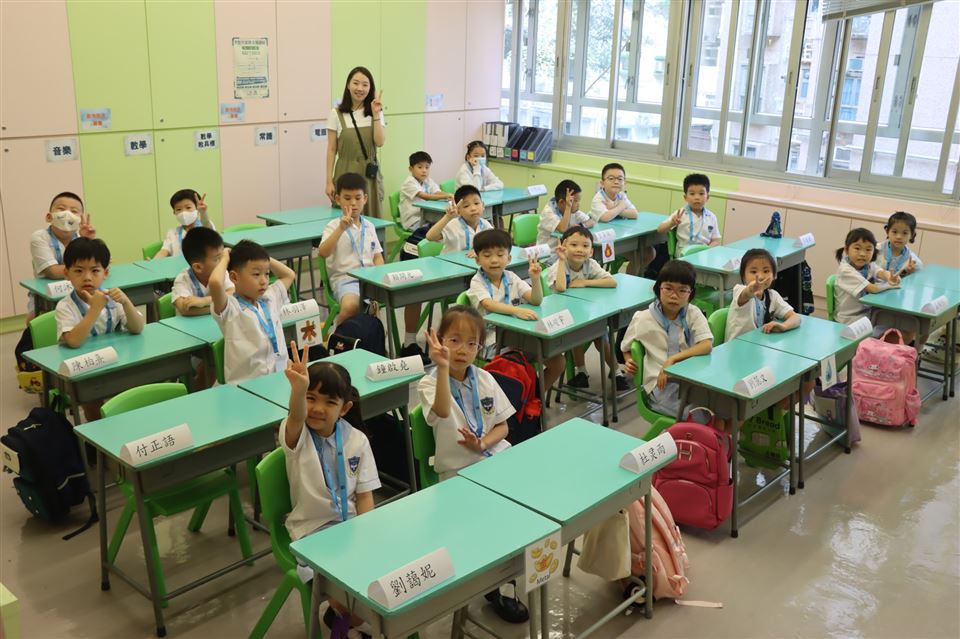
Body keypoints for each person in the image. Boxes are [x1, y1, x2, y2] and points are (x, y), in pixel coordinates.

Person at [416, 306, 529, 624]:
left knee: (523, 508)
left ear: (480, 347)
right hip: (459, 473)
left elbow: (503, 427)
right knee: (489, 517)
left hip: (493, 459)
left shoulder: (485, 378)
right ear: (439, 340)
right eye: (454, 340)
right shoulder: (429, 384)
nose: (462, 350)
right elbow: (441, 410)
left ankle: (506, 575)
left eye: (471, 343)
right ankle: (493, 582)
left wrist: (481, 443)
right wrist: (441, 367)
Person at [281, 347, 378, 638]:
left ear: (344, 408)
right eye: (311, 398)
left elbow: (364, 496)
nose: (317, 408)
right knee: (346, 595)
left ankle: (345, 621)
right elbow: (296, 417)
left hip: (349, 527)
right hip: (311, 533)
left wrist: (368, 535)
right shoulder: (297, 436)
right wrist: (298, 391)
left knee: (376, 576)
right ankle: (364, 625)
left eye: (329, 402)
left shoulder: (357, 440)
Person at [621, 260, 721, 428]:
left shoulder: (693, 313)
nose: (674, 296)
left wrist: (672, 360)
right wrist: (629, 360)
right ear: (658, 288)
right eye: (668, 288)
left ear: (690, 293)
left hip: (691, 381)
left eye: (682, 290)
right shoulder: (643, 318)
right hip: (661, 387)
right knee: (706, 419)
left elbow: (706, 345)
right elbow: (626, 347)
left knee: (725, 411)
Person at [56, 238, 145, 421]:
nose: (87, 277)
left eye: (95, 271)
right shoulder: (65, 306)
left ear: (105, 273)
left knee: (136, 388)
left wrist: (126, 302)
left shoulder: (111, 297)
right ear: (67, 273)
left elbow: (137, 328)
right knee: (91, 399)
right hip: (86, 369)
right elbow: (73, 341)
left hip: (115, 362)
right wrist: (95, 309)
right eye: (79, 271)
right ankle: (98, 433)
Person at [545, 226, 627, 391]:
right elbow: (560, 287)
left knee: (601, 338)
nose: (579, 250)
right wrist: (561, 260)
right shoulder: (558, 266)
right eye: (573, 245)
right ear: (564, 247)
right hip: (562, 316)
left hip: (585, 312)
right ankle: (581, 371)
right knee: (577, 334)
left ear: (591, 251)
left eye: (585, 246)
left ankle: (616, 372)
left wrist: (585, 282)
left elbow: (611, 282)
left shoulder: (590, 264)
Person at [210, 239, 296, 384]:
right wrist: (225, 258)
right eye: (256, 274)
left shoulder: (270, 298)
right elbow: (215, 283)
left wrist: (262, 257)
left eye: (267, 274)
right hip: (247, 386)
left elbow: (289, 275)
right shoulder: (230, 308)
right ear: (234, 277)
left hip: (279, 378)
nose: (264, 281)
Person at [398, 151, 453, 358]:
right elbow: (427, 197)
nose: (423, 171)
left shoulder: (429, 181)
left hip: (429, 223)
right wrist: (447, 196)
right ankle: (410, 342)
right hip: (414, 224)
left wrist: (446, 194)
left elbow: (435, 191)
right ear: (411, 169)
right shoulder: (409, 183)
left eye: (427, 167)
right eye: (419, 167)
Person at [317, 173, 384, 329]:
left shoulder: (369, 226)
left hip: (370, 279)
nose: (353, 203)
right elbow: (323, 252)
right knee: (351, 306)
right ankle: (338, 335)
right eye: (347, 198)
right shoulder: (333, 226)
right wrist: (341, 229)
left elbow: (377, 257)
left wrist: (380, 276)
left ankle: (370, 337)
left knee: (379, 304)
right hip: (345, 279)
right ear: (338, 199)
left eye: (358, 198)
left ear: (365, 199)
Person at [466, 229, 545, 357]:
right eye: (487, 255)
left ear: (509, 258)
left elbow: (536, 300)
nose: (494, 260)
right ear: (477, 260)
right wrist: (516, 311)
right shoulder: (477, 281)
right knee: (529, 354)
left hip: (516, 332)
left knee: (552, 356)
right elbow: (488, 304)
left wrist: (535, 279)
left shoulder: (511, 277)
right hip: (491, 340)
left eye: (500, 255)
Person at [326, 66, 385, 217]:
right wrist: (328, 181)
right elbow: (331, 149)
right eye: (356, 83)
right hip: (345, 171)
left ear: (370, 88)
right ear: (348, 85)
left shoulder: (376, 111)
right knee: (345, 220)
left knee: (371, 218)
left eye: (365, 84)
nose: (360, 88)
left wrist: (376, 114)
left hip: (369, 176)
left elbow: (379, 142)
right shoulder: (336, 113)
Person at [834, 228, 909, 341]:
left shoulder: (868, 265)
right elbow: (873, 288)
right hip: (850, 320)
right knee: (898, 331)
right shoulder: (846, 270)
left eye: (868, 249)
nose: (862, 254)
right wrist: (890, 285)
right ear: (846, 250)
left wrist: (890, 276)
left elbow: (880, 272)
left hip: (867, 314)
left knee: (904, 325)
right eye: (857, 248)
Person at [724, 248, 800, 342]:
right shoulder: (739, 290)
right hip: (736, 346)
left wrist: (783, 326)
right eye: (753, 272)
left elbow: (796, 318)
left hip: (758, 345)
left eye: (766, 271)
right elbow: (746, 294)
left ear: (774, 275)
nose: (760, 276)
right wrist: (752, 289)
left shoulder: (773, 296)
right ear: (743, 276)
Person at [590, 163, 651, 275]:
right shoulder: (598, 198)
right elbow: (605, 217)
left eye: (620, 179)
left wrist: (615, 208)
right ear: (602, 183)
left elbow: (634, 214)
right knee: (639, 255)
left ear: (624, 183)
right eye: (611, 178)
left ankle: (631, 279)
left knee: (649, 252)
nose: (616, 182)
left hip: (620, 237)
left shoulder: (621, 196)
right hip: (603, 241)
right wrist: (621, 206)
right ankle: (629, 279)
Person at [171, 227, 233, 317]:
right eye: (217, 258)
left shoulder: (222, 272)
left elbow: (233, 294)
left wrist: (205, 301)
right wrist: (219, 306)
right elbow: (185, 309)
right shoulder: (183, 279)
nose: (223, 262)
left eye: (222, 256)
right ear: (198, 267)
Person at [657, 173, 721, 256]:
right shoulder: (680, 214)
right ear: (685, 197)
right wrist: (671, 223)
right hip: (684, 254)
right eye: (692, 194)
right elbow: (660, 230)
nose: (697, 197)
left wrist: (707, 250)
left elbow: (716, 240)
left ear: (707, 197)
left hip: (703, 254)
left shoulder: (711, 217)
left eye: (701, 194)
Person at [425, 184, 493, 255]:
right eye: (466, 206)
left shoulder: (486, 225)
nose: (473, 208)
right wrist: (448, 217)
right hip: (451, 261)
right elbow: (430, 237)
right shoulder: (453, 225)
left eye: (476, 203)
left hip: (472, 261)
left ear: (483, 205)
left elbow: (495, 243)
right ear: (458, 210)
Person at [536, 179, 593, 259]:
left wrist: (581, 226)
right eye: (575, 201)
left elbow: (590, 221)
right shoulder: (548, 213)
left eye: (579, 201)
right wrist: (568, 207)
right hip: (548, 255)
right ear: (562, 202)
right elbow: (563, 228)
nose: (578, 204)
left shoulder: (574, 211)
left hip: (565, 252)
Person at [153, 189, 214, 258]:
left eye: (188, 207)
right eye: (178, 209)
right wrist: (153, 261)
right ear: (174, 212)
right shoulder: (172, 233)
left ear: (197, 209)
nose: (183, 212)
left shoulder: (204, 228)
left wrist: (203, 213)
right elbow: (164, 251)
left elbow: (210, 230)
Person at [877, 211, 923, 276]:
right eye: (895, 232)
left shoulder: (914, 262)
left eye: (905, 233)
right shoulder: (875, 250)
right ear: (887, 231)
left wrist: (910, 274)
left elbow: (918, 280)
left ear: (912, 235)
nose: (899, 237)